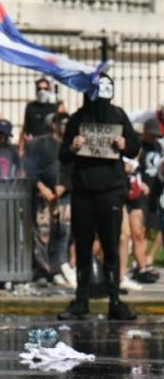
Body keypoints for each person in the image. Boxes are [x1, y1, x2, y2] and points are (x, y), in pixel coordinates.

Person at [58, 73, 141, 322]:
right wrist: (73, 146)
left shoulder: (118, 116)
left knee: (111, 246)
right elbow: (63, 156)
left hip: (111, 192)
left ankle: (114, 300)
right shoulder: (77, 119)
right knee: (83, 246)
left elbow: (135, 147)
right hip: (83, 192)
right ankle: (81, 300)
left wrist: (125, 144)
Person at [24, 113, 73, 286]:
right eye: (62, 123)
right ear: (54, 124)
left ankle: (58, 269)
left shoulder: (71, 146)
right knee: (42, 233)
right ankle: (43, 270)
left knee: (63, 233)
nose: (65, 127)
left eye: (68, 123)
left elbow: (74, 170)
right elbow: (30, 168)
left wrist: (64, 187)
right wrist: (42, 187)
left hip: (65, 196)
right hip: (43, 195)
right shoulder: (40, 144)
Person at [125, 117, 162, 286]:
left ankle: (142, 264)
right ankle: (137, 265)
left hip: (154, 192)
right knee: (131, 233)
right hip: (135, 193)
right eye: (151, 135)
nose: (154, 138)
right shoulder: (136, 146)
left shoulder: (158, 147)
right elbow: (132, 168)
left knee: (144, 230)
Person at [21, 77, 58, 152]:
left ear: (49, 90)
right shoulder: (30, 106)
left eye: (45, 89)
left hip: (49, 148)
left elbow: (58, 129)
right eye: (39, 89)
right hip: (33, 146)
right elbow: (25, 128)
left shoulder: (53, 107)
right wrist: (21, 148)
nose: (42, 91)